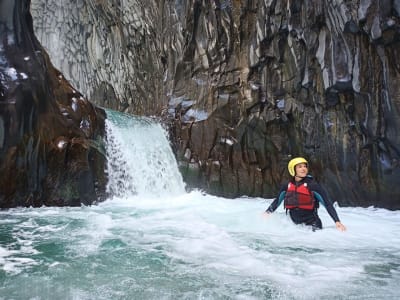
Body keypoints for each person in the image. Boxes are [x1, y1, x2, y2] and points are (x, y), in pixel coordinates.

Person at [264, 157, 346, 231]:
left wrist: (337, 221)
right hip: (293, 225)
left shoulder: (313, 186)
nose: (303, 169)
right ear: (292, 169)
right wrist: (267, 213)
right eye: (300, 167)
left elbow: (327, 204)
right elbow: (277, 201)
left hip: (312, 225)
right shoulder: (287, 186)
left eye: (305, 166)